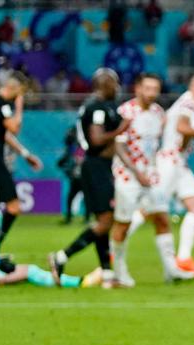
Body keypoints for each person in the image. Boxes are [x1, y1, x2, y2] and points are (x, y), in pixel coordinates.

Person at [110, 73, 194, 286]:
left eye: (155, 89)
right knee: (123, 223)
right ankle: (120, 272)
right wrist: (136, 172)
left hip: (151, 175)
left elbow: (159, 145)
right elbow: (118, 145)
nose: (151, 93)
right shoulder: (125, 111)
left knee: (162, 218)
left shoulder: (159, 113)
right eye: (147, 88)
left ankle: (171, 270)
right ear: (137, 88)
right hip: (127, 176)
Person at [48, 68, 130, 288]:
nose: (118, 87)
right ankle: (61, 257)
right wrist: (120, 129)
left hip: (102, 166)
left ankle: (106, 275)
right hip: (95, 167)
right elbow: (96, 139)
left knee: (103, 220)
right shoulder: (96, 109)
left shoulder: (105, 107)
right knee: (106, 221)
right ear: (104, 84)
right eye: (115, 82)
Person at [153, 72, 194, 276]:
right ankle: (114, 247)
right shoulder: (188, 102)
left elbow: (168, 125)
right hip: (169, 162)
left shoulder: (186, 103)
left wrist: (183, 143)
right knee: (149, 209)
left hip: (177, 161)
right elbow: (182, 127)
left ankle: (184, 258)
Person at [0, 71, 43, 247]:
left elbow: (4, 135)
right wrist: (19, 107)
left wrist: (26, 154)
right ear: (14, 88)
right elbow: (14, 128)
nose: (20, 96)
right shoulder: (2, 104)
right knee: (13, 207)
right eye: (20, 92)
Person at [56, 126, 84, 225]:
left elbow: (79, 159)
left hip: (83, 177)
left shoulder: (81, 146)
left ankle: (86, 218)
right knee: (71, 198)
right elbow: (62, 163)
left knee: (87, 199)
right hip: (76, 178)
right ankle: (69, 218)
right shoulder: (73, 148)